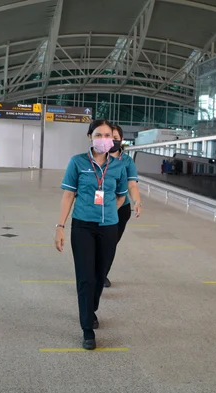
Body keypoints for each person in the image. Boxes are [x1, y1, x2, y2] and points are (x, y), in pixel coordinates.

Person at [55, 119, 129, 350]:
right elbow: (68, 196)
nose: (104, 139)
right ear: (90, 137)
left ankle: (91, 308)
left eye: (108, 135)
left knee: (99, 275)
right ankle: (87, 327)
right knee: (85, 276)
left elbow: (121, 195)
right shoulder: (77, 162)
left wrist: (108, 212)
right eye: (99, 135)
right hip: (83, 226)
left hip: (109, 227)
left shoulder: (118, 166)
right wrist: (60, 226)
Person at [104, 125, 142, 288]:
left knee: (110, 243)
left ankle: (102, 273)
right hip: (99, 207)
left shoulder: (126, 161)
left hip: (120, 209)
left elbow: (132, 185)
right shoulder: (98, 157)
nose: (112, 140)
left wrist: (137, 201)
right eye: (109, 137)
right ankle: (93, 270)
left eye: (116, 137)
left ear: (121, 140)